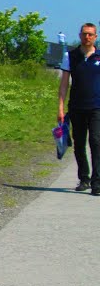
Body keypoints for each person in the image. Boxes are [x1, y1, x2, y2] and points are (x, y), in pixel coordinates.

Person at [58, 23, 100, 194]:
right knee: (79, 143)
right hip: (76, 106)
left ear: (95, 37)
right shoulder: (71, 56)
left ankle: (97, 182)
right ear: (80, 35)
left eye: (90, 34)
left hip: (97, 106)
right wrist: (60, 108)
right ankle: (84, 178)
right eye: (84, 34)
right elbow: (63, 85)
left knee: (96, 142)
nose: (87, 37)